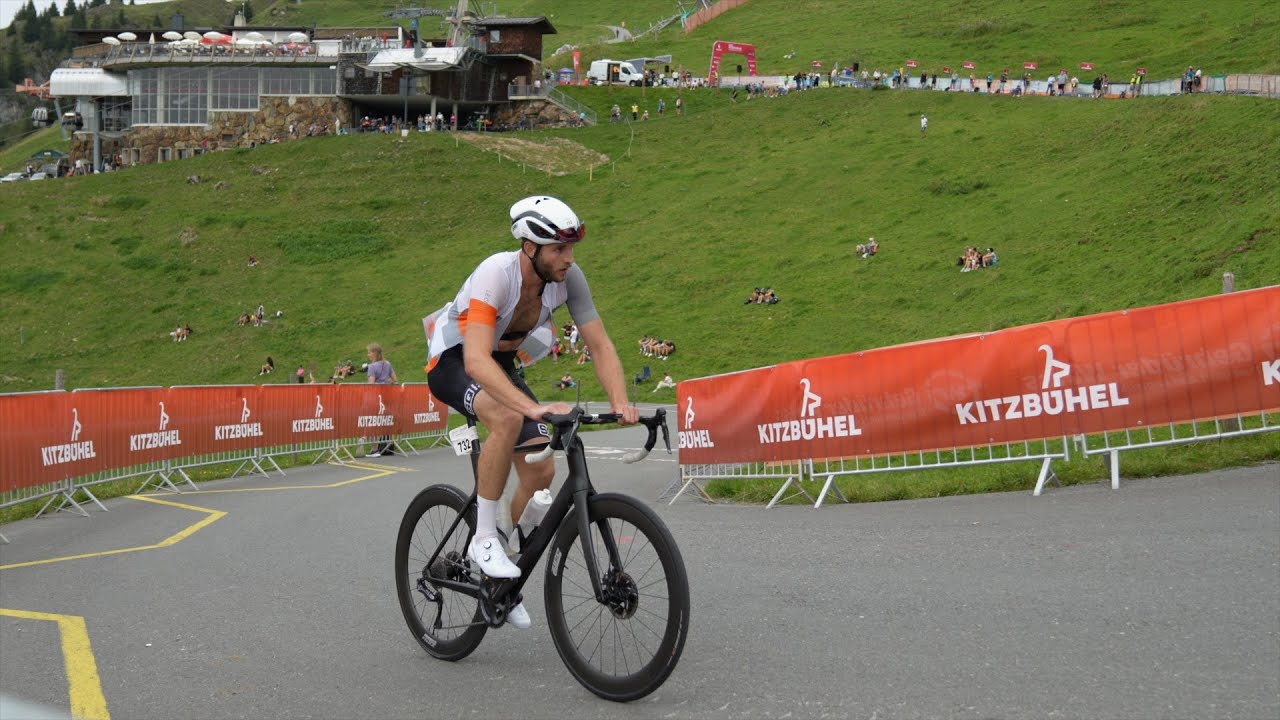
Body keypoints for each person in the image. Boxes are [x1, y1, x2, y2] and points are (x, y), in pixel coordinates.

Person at [425, 195, 637, 629]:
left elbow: (599, 343)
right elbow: (476, 362)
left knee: (540, 471)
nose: (569, 259)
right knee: (505, 419)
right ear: (530, 246)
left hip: (500, 363)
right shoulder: (495, 274)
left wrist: (620, 401)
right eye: (559, 249)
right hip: (455, 358)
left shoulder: (569, 279)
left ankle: (501, 554)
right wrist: (533, 406)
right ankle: (482, 538)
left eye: (572, 249)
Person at [366, 343, 398, 457]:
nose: (368, 354)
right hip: (387, 397)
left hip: (375, 398)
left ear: (375, 353)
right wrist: (387, 382)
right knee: (385, 421)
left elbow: (371, 384)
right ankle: (388, 445)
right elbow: (395, 380)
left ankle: (375, 449)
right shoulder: (387, 364)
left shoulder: (372, 367)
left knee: (373, 422)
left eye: (369, 352)